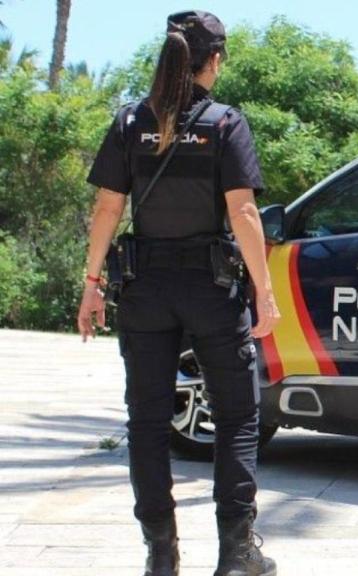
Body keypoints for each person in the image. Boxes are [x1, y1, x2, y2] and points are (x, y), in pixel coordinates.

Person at [76, 11, 280, 576]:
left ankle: (161, 556)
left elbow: (107, 209)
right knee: (238, 418)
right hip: (211, 288)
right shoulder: (225, 124)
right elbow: (242, 211)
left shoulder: (130, 123)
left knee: (145, 421)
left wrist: (92, 285)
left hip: (144, 288)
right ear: (212, 60)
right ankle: (237, 554)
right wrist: (264, 292)